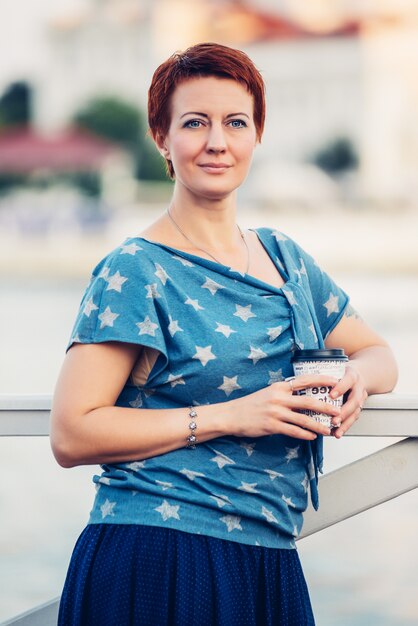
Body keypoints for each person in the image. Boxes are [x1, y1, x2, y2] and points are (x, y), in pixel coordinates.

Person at [50, 42, 398, 626]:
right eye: (194, 123)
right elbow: (72, 432)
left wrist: (356, 380)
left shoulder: (285, 259)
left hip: (270, 556)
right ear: (161, 137)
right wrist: (235, 414)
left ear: (256, 135)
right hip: (158, 555)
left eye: (235, 122)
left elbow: (379, 352)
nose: (217, 141)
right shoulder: (137, 269)